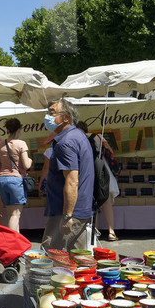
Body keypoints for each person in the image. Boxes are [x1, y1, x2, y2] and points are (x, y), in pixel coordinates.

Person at [42, 98, 95, 251]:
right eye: (47, 112)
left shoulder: (66, 142)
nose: (48, 116)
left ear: (66, 117)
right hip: (79, 210)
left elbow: (72, 182)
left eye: (52, 113)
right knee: (79, 259)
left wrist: (67, 216)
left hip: (67, 213)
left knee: (52, 258)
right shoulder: (78, 135)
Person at [0, 118, 32, 233]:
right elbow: (27, 165)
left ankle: (16, 240)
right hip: (16, 180)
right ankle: (13, 242)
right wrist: (31, 160)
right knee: (15, 215)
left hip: (2, 180)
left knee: (10, 213)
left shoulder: (0, 145)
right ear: (19, 129)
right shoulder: (21, 144)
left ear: (7, 130)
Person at [90, 131, 121, 242]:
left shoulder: (78, 136)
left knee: (93, 202)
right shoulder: (99, 136)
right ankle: (111, 232)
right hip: (102, 169)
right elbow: (110, 152)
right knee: (106, 200)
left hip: (88, 169)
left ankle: (94, 231)